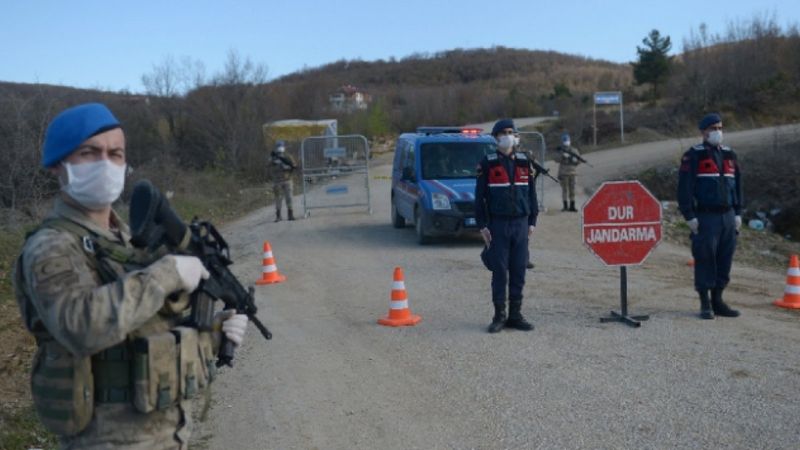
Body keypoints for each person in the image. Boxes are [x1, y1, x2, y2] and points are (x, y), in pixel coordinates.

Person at [13, 103, 248, 449]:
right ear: (58, 165)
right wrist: (165, 274)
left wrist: (213, 334)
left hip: (167, 433)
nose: (105, 164)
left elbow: (143, 328)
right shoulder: (51, 246)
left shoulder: (123, 240)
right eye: (89, 153)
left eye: (115, 154)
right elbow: (81, 327)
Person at [475, 119, 538, 333]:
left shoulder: (524, 161)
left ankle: (515, 315)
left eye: (511, 132)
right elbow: (479, 198)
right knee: (500, 271)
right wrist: (482, 225)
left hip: (521, 224)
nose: (508, 136)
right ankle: (499, 316)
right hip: (498, 224)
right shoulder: (488, 163)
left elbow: (531, 193)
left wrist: (533, 221)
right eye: (503, 133)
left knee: (519, 269)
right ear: (495, 138)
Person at [678, 113, 743, 320]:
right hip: (706, 216)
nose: (717, 132)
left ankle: (718, 300)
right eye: (713, 128)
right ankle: (705, 302)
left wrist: (739, 212)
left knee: (725, 258)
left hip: (728, 215)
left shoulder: (730, 154)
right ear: (703, 131)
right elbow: (684, 188)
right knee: (705, 257)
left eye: (720, 128)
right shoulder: (693, 155)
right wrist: (689, 215)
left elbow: (738, 186)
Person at [269, 141, 297, 222]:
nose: (280, 147)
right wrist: (274, 162)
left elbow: (294, 166)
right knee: (278, 199)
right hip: (277, 181)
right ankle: (278, 216)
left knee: (289, 198)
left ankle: (290, 215)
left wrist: (287, 167)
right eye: (278, 146)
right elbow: (268, 166)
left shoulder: (288, 156)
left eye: (281, 146)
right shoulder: (273, 157)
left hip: (287, 180)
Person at [557, 133, 581, 212]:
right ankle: (565, 206)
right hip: (564, 173)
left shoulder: (574, 150)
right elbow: (556, 159)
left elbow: (578, 160)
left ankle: (572, 206)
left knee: (572, 190)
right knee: (565, 190)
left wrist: (574, 159)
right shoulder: (561, 151)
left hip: (572, 172)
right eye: (565, 140)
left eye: (567, 140)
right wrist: (563, 156)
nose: (566, 142)